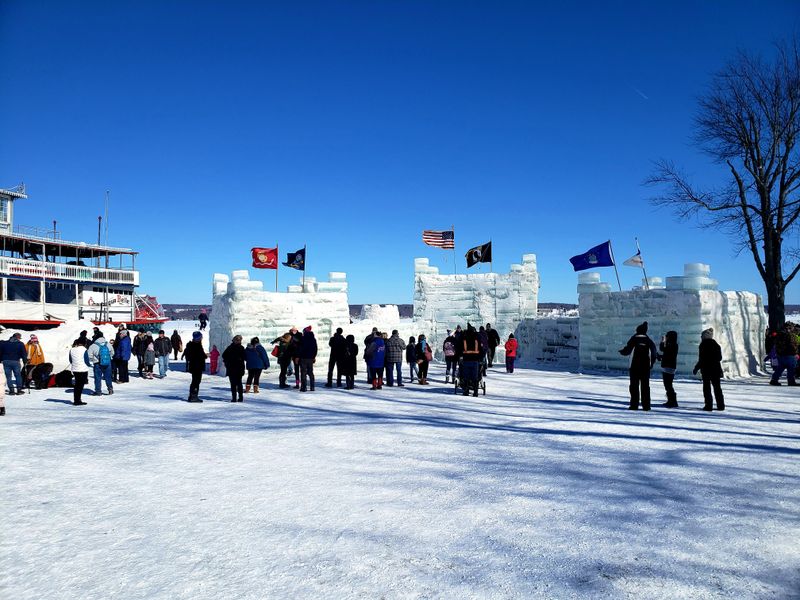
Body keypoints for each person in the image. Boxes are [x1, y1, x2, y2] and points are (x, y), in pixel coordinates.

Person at [619, 321, 657, 411]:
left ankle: (634, 405)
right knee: (645, 386)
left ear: (637, 330)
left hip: (634, 366)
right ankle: (646, 406)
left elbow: (628, 350)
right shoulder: (649, 340)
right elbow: (654, 353)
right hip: (645, 367)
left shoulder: (634, 339)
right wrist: (651, 364)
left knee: (634, 386)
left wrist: (622, 352)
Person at [693, 328, 725, 411]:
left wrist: (696, 368)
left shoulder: (703, 345)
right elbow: (719, 358)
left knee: (707, 388)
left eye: (702, 336)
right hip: (716, 369)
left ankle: (708, 405)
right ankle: (721, 405)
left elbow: (701, 359)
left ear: (704, 337)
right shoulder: (716, 345)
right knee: (717, 388)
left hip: (706, 369)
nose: (701, 337)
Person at [658, 331, 679, 407]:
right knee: (668, 384)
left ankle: (672, 401)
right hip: (669, 366)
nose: (666, 337)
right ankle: (671, 400)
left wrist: (661, 356)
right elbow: (664, 351)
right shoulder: (672, 345)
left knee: (668, 385)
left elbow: (666, 353)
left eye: (667, 336)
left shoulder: (672, 345)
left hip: (669, 367)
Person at [184, 331, 207, 402]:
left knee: (195, 381)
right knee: (196, 381)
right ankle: (193, 396)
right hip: (197, 366)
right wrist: (206, 355)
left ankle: (192, 395)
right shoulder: (197, 346)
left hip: (193, 366)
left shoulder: (190, 345)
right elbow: (200, 355)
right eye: (201, 337)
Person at [222, 335, 246, 402]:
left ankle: (239, 398)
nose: (238, 341)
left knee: (237, 383)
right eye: (237, 340)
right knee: (235, 383)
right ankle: (235, 398)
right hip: (233, 368)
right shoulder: (232, 348)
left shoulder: (237, 348)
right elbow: (224, 356)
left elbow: (245, 357)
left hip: (236, 368)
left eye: (239, 340)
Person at [68, 338, 91, 406]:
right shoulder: (84, 349)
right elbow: (86, 360)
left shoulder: (71, 349)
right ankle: (78, 400)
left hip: (75, 369)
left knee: (77, 385)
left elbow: (70, 360)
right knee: (80, 386)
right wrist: (89, 365)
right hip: (83, 369)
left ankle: (76, 399)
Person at [461, 326, 482, 396]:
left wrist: (461, 356)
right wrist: (480, 358)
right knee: (475, 376)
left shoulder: (464, 339)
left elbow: (460, 349)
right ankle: (475, 392)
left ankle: (466, 391)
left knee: (466, 376)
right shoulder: (477, 339)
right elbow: (481, 349)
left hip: (466, 360)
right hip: (475, 360)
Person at [299, 326, 317, 392]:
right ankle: (312, 387)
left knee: (303, 373)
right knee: (310, 372)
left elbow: (300, 349)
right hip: (310, 358)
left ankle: (304, 387)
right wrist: (313, 356)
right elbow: (315, 349)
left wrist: (299, 356)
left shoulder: (303, 339)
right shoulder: (313, 339)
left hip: (303, 358)